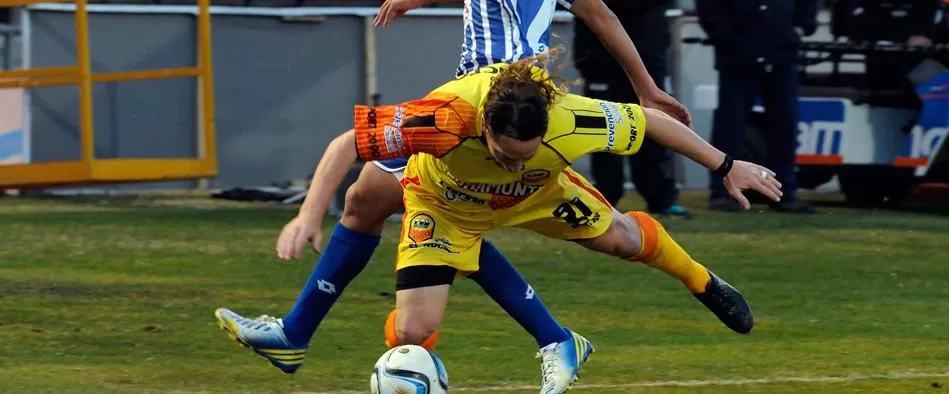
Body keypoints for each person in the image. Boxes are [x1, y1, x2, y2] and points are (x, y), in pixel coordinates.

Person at [214, 0, 691, 392]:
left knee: (441, 209)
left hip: (489, 104)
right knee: (366, 201)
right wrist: (647, 85)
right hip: (503, 99)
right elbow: (600, 13)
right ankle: (294, 333)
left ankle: (554, 337)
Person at [287, 55, 779, 386]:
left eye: (526, 153)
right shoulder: (443, 116)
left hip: (539, 194)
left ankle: (702, 281)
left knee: (625, 241)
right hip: (445, 204)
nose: (513, 162)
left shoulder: (571, 118)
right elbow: (346, 144)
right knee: (413, 332)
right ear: (484, 126)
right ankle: (409, 371)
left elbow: (650, 121)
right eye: (504, 154)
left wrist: (727, 166)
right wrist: (309, 215)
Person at [694, 0, 819, 214]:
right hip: (738, 57)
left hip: (782, 56)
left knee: (784, 126)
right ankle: (722, 193)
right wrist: (728, 38)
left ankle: (784, 194)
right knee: (730, 128)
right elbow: (707, 2)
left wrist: (799, 28)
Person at [572, 0, 688, 218]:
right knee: (604, 128)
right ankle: (605, 200)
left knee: (656, 126)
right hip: (601, 57)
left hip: (649, 54)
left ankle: (661, 198)